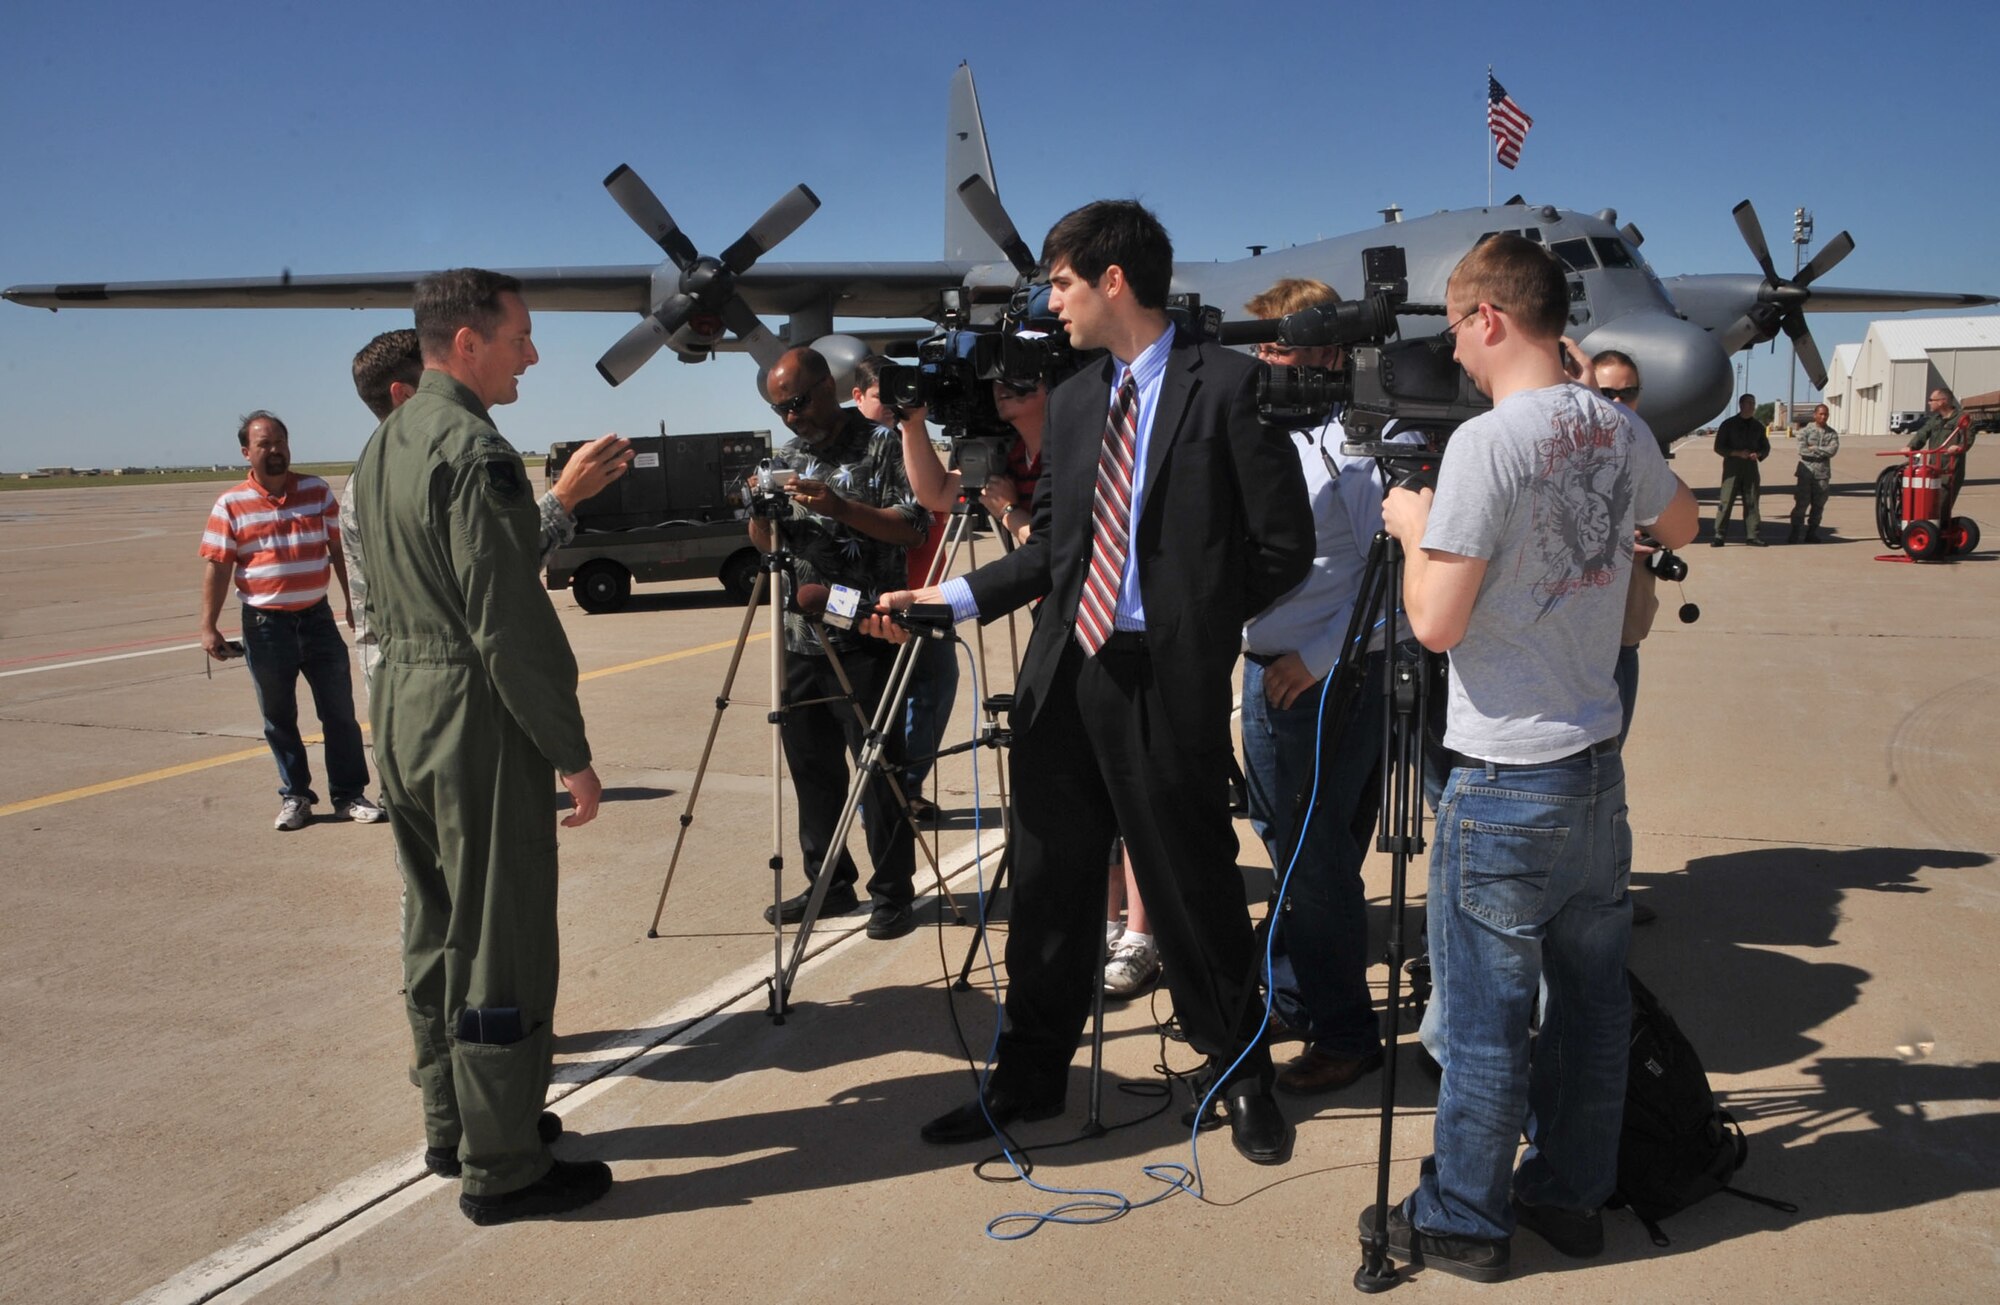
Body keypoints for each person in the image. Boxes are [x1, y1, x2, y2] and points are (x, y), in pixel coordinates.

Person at [873, 200, 1316, 1165]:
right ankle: (1029, 1077)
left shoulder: (1231, 387)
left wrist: (1192, 621)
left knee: (1191, 878)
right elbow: (1062, 554)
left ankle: (1240, 1072)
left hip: (1163, 675)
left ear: (1113, 279)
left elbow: (1286, 548)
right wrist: (951, 599)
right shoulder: (1075, 401)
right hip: (1062, 671)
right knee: (1046, 883)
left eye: (1063, 283)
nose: (1054, 303)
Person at [1362, 234, 1697, 1281]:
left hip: (1506, 775)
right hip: (1596, 771)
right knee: (1590, 1010)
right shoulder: (1610, 425)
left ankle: (1462, 1213)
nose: (1454, 349)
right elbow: (1678, 517)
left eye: (1458, 325)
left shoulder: (1486, 445)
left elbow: (1434, 624)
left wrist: (1414, 527)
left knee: (1484, 1019)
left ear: (1493, 319)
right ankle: (1569, 1193)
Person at [350, 268, 611, 1225]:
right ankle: (504, 1167)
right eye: (520, 338)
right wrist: (570, 750)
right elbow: (508, 621)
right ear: (467, 341)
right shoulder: (472, 447)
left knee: (433, 925)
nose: (532, 355)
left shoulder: (385, 442)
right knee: (499, 935)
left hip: (402, 705)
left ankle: (454, 1122)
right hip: (471, 708)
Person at [1238, 277, 1393, 1097]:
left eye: (1282, 343)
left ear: (1331, 350)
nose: (1266, 358)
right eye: (1260, 343)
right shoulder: (1265, 428)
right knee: (1295, 843)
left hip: (1319, 681)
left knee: (1311, 861)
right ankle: (1305, 993)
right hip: (1268, 669)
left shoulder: (1355, 442)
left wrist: (1322, 658)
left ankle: (1344, 1032)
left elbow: (1395, 574)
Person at [751, 346, 928, 940]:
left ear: (828, 385)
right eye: (780, 409)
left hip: (868, 635)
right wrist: (759, 512)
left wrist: (841, 508)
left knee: (878, 771)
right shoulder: (788, 456)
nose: (791, 418)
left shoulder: (881, 443)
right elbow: (767, 543)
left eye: (797, 403)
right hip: (801, 638)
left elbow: (913, 524)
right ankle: (828, 882)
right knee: (812, 771)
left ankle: (893, 893)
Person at [344, 330, 633, 688]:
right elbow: (497, 573)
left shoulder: (366, 480)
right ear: (403, 396)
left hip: (404, 696)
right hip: (456, 696)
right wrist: (565, 497)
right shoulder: (437, 470)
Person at [198, 411, 383, 831]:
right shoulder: (230, 504)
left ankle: (349, 794)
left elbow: (340, 550)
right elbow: (218, 567)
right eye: (265, 444)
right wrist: (208, 625)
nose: (275, 450)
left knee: (339, 713)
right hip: (265, 627)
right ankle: (296, 796)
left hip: (317, 620)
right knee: (279, 718)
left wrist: (354, 601)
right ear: (247, 452)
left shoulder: (316, 491)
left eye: (281, 442)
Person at [1711, 394, 1769, 546]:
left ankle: (1752, 536)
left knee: (1752, 502)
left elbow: (1765, 447)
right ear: (1741, 405)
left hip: (1750, 468)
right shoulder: (1728, 425)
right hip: (1732, 468)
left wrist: (1759, 454)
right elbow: (1719, 447)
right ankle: (1719, 535)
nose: (1751, 406)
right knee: (1726, 501)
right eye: (1748, 403)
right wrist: (1737, 453)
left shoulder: (1758, 427)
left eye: (1753, 403)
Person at [1905, 386, 1973, 514]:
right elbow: (1922, 433)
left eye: (1931, 400)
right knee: (1926, 503)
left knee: (1940, 507)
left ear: (1942, 401)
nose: (1929, 402)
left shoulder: (1962, 419)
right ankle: (1929, 528)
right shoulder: (1935, 420)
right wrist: (1911, 447)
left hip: (1950, 468)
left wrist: (1959, 447)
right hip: (1933, 468)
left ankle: (1936, 531)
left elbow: (1968, 438)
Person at [1789, 403, 1840, 544]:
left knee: (1818, 506)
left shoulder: (1832, 433)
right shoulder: (1805, 431)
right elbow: (1802, 450)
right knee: (1801, 504)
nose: (1823, 417)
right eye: (1821, 414)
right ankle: (1795, 532)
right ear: (1815, 415)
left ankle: (1812, 533)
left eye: (1826, 414)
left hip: (1822, 475)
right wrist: (1822, 451)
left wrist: (1815, 448)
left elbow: (1833, 451)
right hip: (1806, 472)